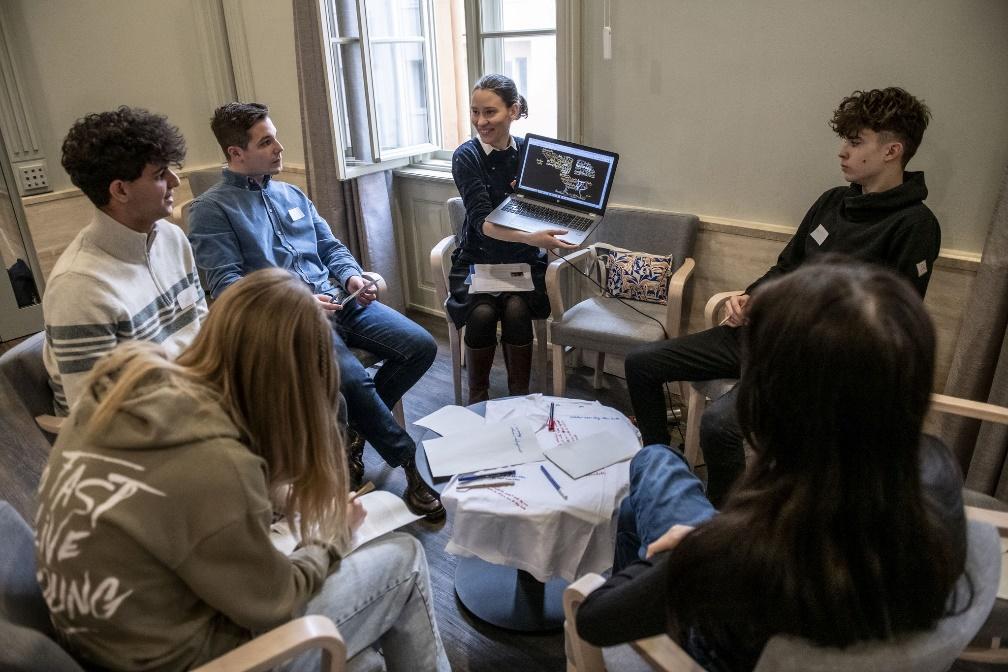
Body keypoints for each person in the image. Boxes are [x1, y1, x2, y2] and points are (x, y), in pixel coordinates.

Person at [34, 268, 451, 672]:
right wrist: (330, 540)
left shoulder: (127, 380)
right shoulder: (219, 465)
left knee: (366, 662)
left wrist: (272, 495)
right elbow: (275, 600)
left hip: (96, 640)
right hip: (187, 658)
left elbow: (170, 504)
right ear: (293, 385)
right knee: (404, 559)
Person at [580, 261, 968, 672]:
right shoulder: (937, 470)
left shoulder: (742, 552)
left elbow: (595, 619)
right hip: (824, 623)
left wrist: (692, 547)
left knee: (657, 462)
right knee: (637, 504)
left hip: (710, 646)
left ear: (767, 403)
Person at [624, 86, 941, 505]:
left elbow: (891, 322)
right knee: (641, 363)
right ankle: (660, 468)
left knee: (719, 424)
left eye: (855, 141)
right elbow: (787, 265)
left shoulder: (915, 225)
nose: (842, 152)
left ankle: (721, 516)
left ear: (892, 151)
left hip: (817, 359)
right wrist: (752, 297)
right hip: (766, 333)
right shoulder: (832, 201)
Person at [187, 102, 442, 519]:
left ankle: (355, 434)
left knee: (420, 345)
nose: (279, 148)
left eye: (275, 137)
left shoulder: (291, 193)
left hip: (339, 302)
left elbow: (330, 248)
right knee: (353, 379)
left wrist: (352, 277)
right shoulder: (210, 211)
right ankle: (409, 466)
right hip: (290, 324)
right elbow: (227, 287)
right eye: (266, 142)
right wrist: (298, 303)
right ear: (235, 154)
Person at [42, 107, 207, 415]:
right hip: (132, 439)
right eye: (159, 175)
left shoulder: (172, 239)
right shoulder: (79, 288)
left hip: (190, 402)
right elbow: (97, 417)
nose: (175, 180)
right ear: (120, 190)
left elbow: (203, 335)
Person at [450, 74, 577, 403]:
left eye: (489, 112)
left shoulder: (531, 154)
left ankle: (520, 397)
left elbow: (553, 202)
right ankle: (478, 398)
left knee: (518, 309)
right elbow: (482, 223)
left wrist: (570, 220)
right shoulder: (466, 157)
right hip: (476, 261)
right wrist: (534, 238)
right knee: (481, 314)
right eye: (475, 112)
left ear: (514, 110)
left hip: (522, 262)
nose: (481, 121)